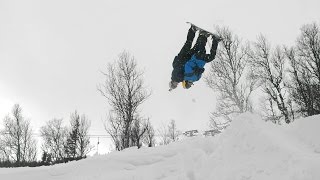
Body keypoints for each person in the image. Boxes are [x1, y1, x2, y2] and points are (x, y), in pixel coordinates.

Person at [169, 24, 221, 90]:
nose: (176, 85)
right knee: (195, 47)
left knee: (190, 45)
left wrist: (193, 68)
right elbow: (177, 63)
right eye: (175, 86)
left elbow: (182, 67)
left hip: (184, 57)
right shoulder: (180, 78)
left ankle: (196, 32)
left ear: (172, 82)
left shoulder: (177, 77)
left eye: (174, 85)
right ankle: (201, 35)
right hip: (187, 58)